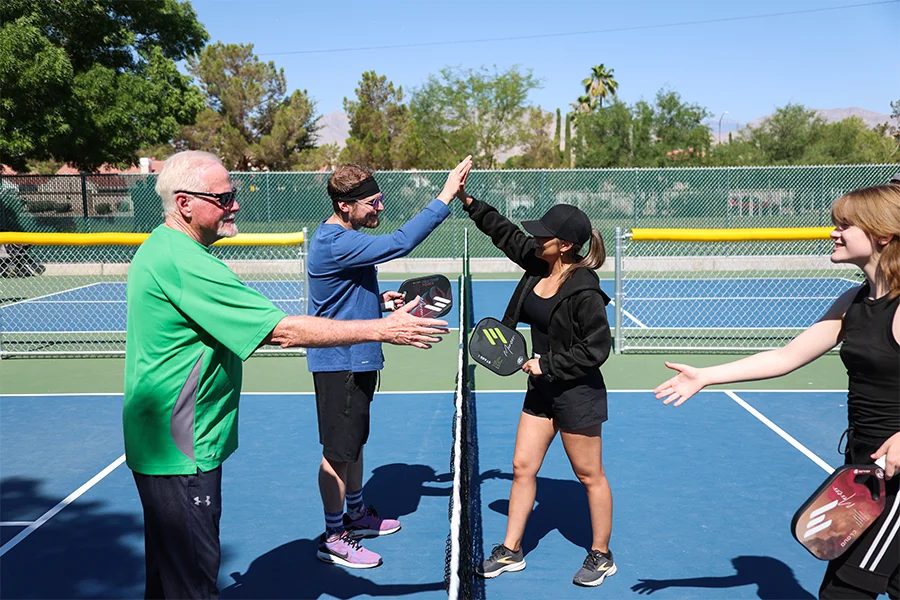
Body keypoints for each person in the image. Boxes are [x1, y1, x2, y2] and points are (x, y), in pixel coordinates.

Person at [124, 150, 449, 599]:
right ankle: (337, 533)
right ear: (184, 203)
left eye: (233, 194)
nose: (235, 204)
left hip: (169, 440)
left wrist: (378, 310)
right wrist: (383, 328)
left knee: (169, 578)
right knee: (192, 583)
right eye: (223, 197)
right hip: (182, 446)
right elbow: (280, 331)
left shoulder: (164, 248)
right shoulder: (185, 262)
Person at [653, 184, 900, 600]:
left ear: (882, 235)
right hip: (861, 470)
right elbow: (787, 356)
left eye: (845, 225)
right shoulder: (853, 301)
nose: (833, 233)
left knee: (844, 590)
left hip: (895, 484)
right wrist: (707, 376)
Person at [307, 156, 472, 569]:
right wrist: (445, 196)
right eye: (373, 203)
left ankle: (357, 514)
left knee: (355, 443)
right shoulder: (335, 241)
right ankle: (333, 535)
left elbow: (338, 298)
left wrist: (378, 301)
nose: (380, 208)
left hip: (358, 356)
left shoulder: (345, 237)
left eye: (380, 200)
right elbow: (399, 242)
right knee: (337, 454)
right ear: (346, 206)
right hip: (338, 362)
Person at [458, 190, 615, 587]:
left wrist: (548, 364)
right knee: (522, 467)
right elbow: (506, 234)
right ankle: (511, 549)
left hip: (577, 392)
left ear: (564, 246)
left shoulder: (584, 289)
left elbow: (597, 348)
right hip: (541, 391)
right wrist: (471, 204)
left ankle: (601, 554)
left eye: (544, 235)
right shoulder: (538, 264)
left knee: (589, 474)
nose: (535, 239)